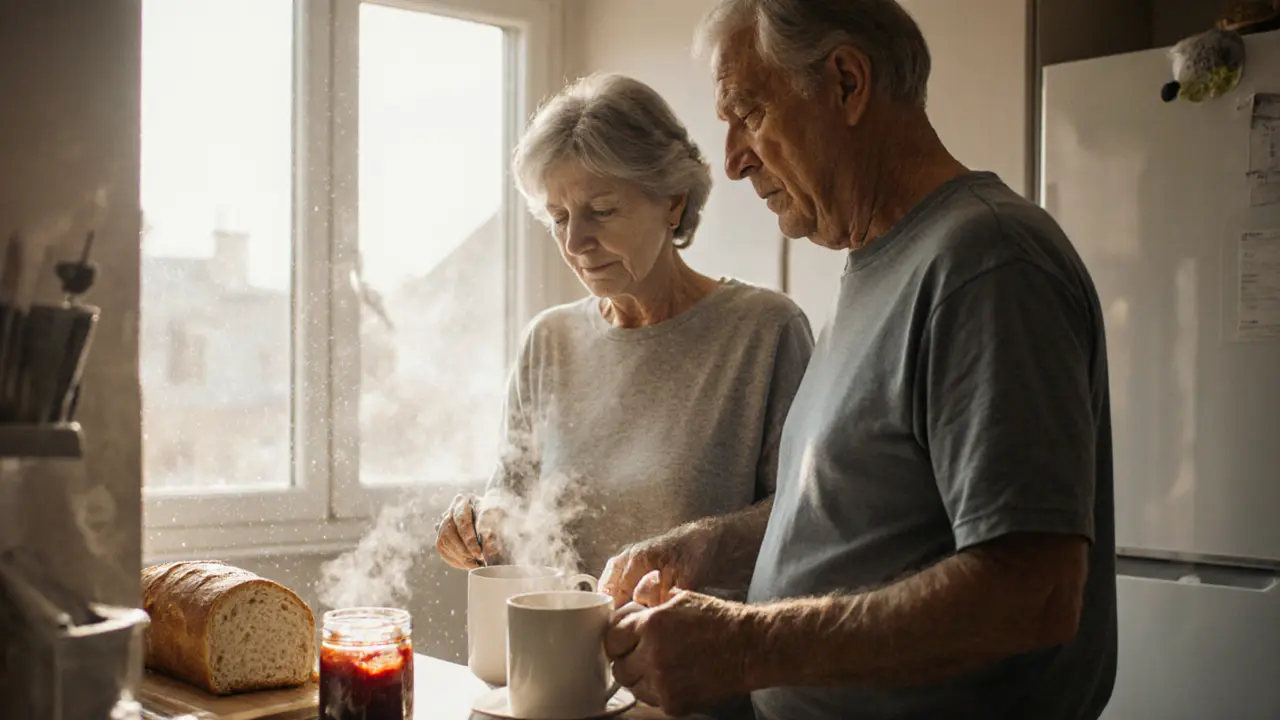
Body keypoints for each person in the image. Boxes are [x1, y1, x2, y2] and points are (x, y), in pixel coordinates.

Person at [600, 2, 1119, 719]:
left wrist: (747, 648)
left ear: (847, 83)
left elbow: (1033, 593)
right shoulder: (875, 267)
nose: (733, 159)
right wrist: (707, 547)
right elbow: (856, 512)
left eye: (747, 113)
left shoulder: (987, 261)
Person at [434, 72, 814, 589]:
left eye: (602, 211)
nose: (575, 242)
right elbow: (512, 502)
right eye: (558, 217)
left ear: (673, 201)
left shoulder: (765, 331)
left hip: (702, 658)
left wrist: (691, 549)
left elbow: (804, 517)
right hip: (559, 653)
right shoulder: (548, 341)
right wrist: (481, 526)